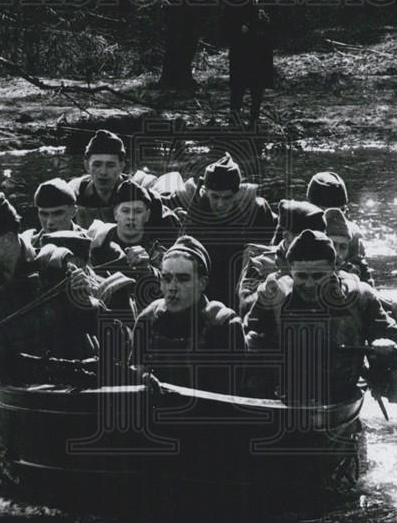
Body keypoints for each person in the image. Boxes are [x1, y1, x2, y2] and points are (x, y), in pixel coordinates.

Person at [0, 193, 99, 383]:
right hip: (15, 389)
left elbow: (106, 328)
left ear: (7, 238)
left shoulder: (55, 266)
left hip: (73, 385)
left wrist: (87, 300)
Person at [243, 230, 397, 404]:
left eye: (318, 276)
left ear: (334, 268)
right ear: (290, 270)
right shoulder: (275, 294)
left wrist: (392, 351)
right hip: (285, 397)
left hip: (341, 395)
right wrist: (260, 305)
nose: (310, 284)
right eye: (302, 276)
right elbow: (246, 336)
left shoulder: (359, 298)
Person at [131, 236, 245, 391]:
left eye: (183, 279)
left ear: (202, 283)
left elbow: (228, 399)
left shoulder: (223, 324)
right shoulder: (148, 319)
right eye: (166, 278)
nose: (172, 287)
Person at [181, 153, 277, 308]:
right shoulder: (197, 211)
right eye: (215, 197)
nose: (220, 204)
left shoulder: (256, 211)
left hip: (241, 288)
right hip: (205, 288)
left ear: (238, 194)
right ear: (205, 191)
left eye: (227, 198)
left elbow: (265, 258)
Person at [237, 199, 325, 316]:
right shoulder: (260, 265)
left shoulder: (325, 263)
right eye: (307, 240)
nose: (315, 246)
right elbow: (245, 307)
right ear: (287, 236)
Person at [224, 0, 275, 127]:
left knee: (258, 86)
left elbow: (281, 25)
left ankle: (254, 117)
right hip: (241, 50)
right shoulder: (236, 1)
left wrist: (268, 22)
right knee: (238, 85)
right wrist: (238, 28)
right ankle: (234, 117)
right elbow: (225, 23)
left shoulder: (270, 2)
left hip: (261, 51)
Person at [306, 171, 372, 284]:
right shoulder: (297, 229)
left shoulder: (353, 235)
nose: (334, 218)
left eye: (340, 212)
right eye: (325, 212)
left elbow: (365, 277)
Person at [26, 178, 84, 249]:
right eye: (44, 214)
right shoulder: (28, 247)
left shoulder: (92, 243)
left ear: (73, 212)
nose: (50, 222)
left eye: (57, 213)